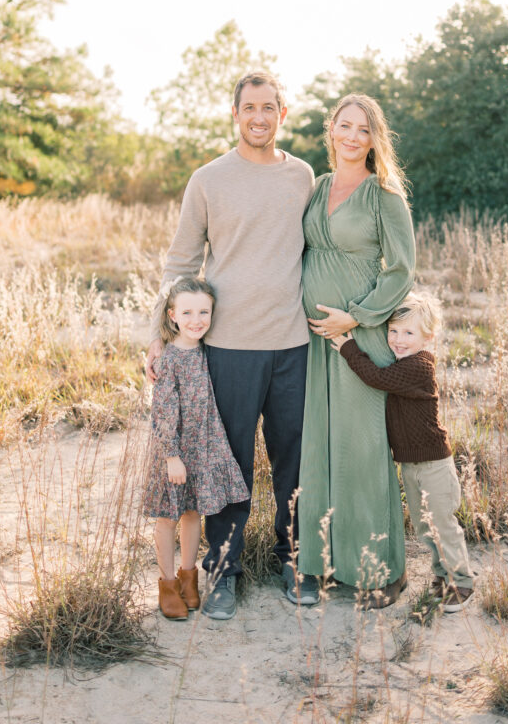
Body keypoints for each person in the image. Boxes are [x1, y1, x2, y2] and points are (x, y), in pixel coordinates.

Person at [146, 70, 318, 621]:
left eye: (270, 107)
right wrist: (158, 334)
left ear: (283, 114)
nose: (260, 117)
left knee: (294, 460)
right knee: (228, 464)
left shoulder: (303, 176)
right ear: (236, 113)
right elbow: (179, 262)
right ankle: (223, 572)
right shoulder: (209, 179)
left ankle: (295, 559)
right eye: (250, 107)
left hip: (294, 343)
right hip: (227, 349)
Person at [298, 94, 415, 607]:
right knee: (321, 446)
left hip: (359, 335)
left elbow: (402, 268)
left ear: (374, 139)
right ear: (332, 131)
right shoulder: (317, 187)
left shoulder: (384, 194)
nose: (351, 136)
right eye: (344, 126)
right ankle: (320, 564)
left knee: (363, 450)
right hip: (312, 340)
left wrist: (359, 316)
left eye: (362, 129)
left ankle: (380, 572)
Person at [331, 290, 475, 611]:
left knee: (442, 523)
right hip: (411, 464)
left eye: (408, 333)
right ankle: (442, 576)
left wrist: (348, 348)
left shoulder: (418, 367)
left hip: (434, 463)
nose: (398, 339)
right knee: (425, 525)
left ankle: (462, 581)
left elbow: (376, 377)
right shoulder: (403, 361)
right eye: (393, 332)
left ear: (427, 336)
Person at [143, 276, 248, 620]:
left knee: (192, 514)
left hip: (203, 447)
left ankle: (191, 578)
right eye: (187, 312)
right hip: (173, 450)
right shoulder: (169, 358)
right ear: (172, 315)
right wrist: (172, 456)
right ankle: (168, 583)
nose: (196, 320)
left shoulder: (208, 353)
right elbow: (163, 411)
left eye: (204, 311)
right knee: (167, 516)